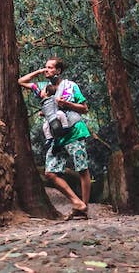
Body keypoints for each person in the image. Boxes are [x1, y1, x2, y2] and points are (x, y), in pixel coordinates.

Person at [18, 57, 91, 219]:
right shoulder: (43, 87)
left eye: (50, 67)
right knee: (50, 173)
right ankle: (78, 203)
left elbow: (84, 108)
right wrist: (39, 72)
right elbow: (21, 81)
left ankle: (84, 209)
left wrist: (67, 104)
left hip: (74, 131)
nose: (47, 70)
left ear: (58, 70)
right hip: (56, 136)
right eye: (46, 67)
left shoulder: (71, 86)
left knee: (82, 169)